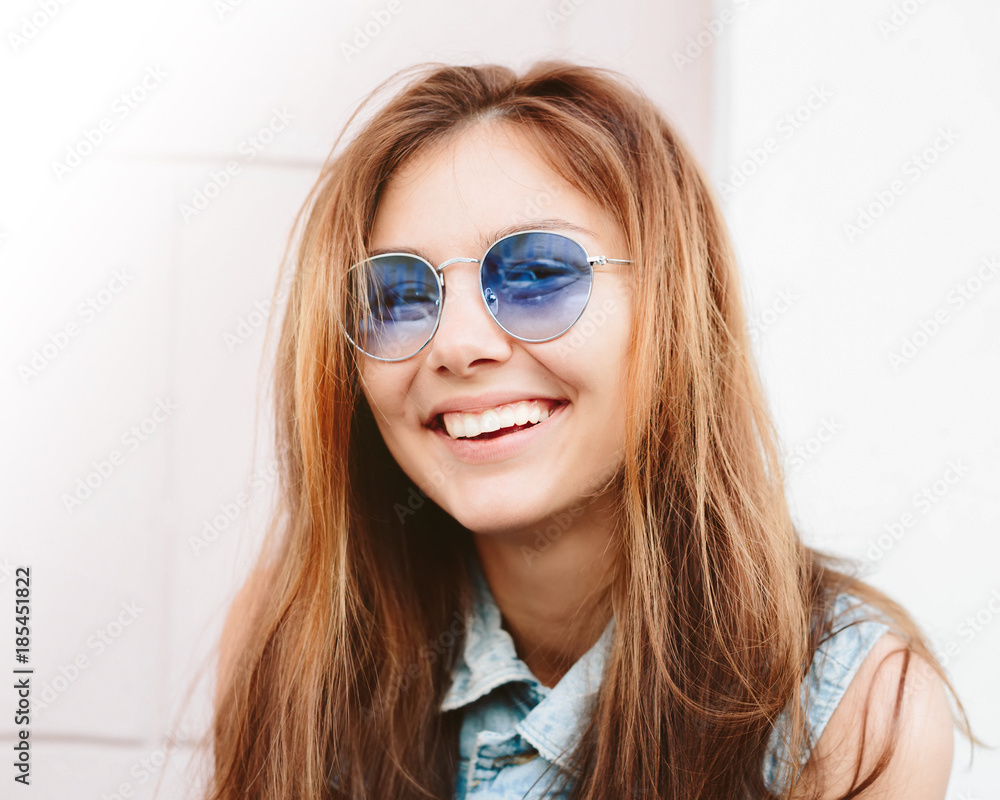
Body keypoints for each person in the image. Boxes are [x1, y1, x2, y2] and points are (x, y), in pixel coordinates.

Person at [207, 60, 972, 799]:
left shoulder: (855, 710)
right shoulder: (292, 637)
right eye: (400, 295)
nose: (458, 344)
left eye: (538, 273)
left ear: (675, 312)